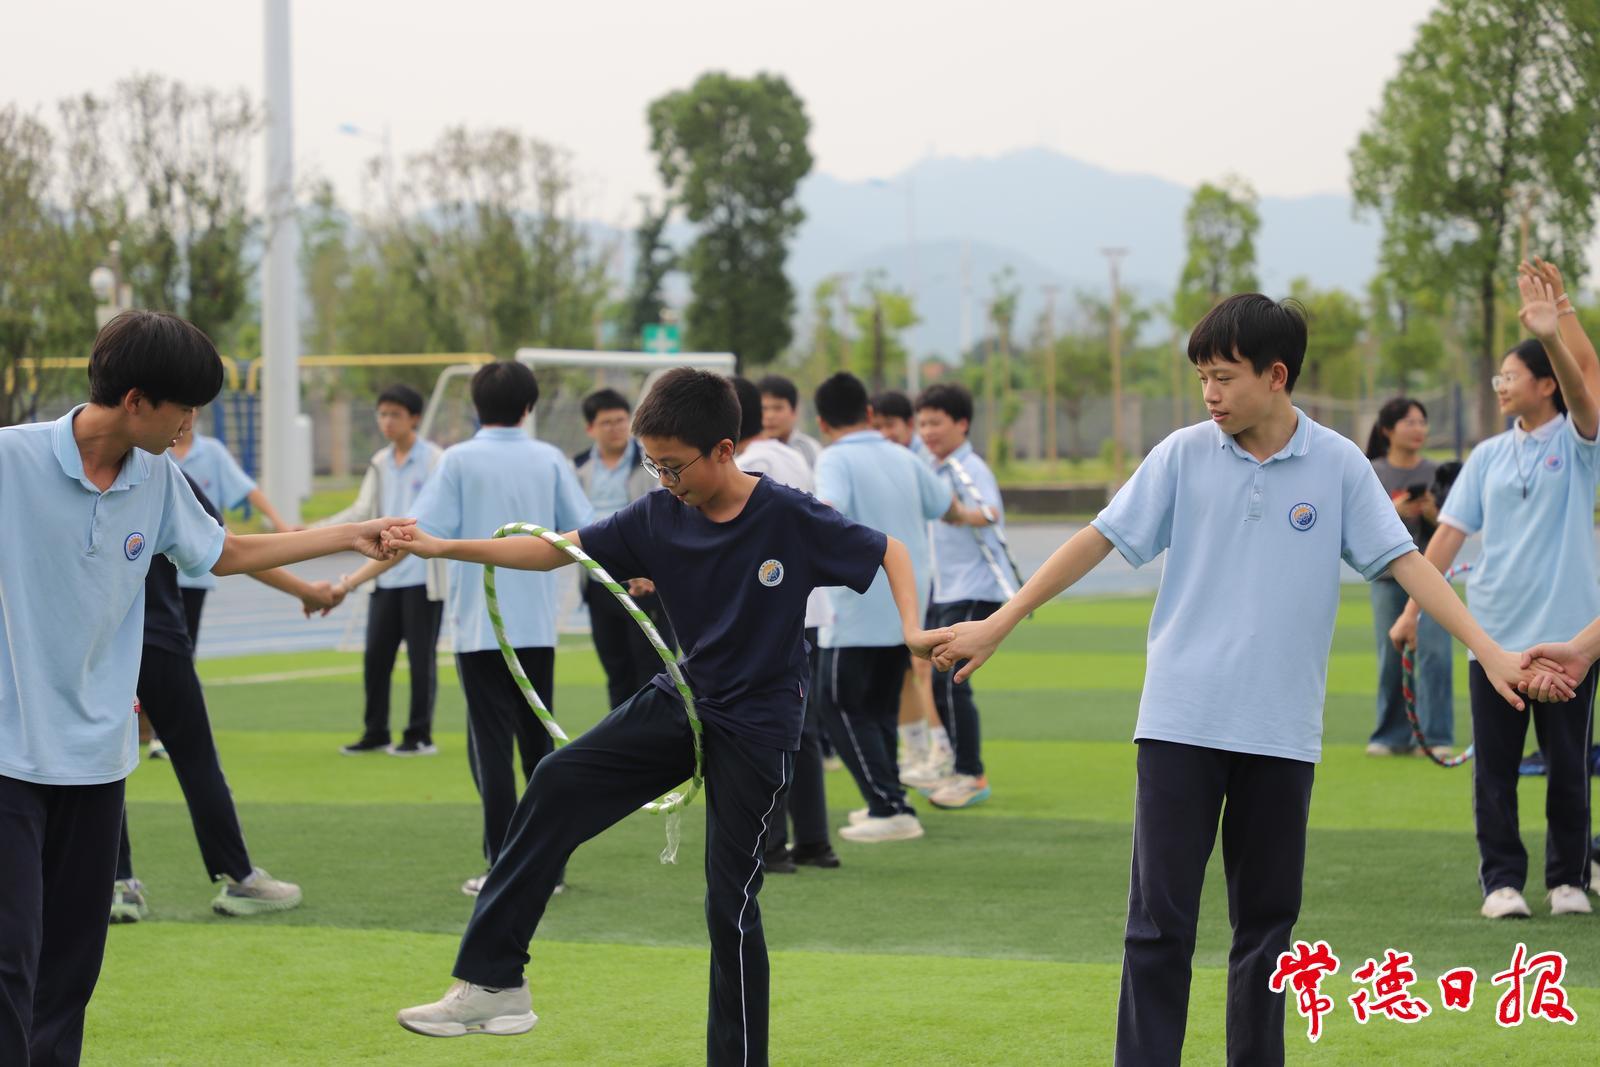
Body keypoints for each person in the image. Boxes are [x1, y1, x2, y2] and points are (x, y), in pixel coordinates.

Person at [930, 294, 1554, 1066]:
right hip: (1179, 722)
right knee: (1158, 927)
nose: (1210, 394)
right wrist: (1001, 619)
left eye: (1224, 377)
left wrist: (1490, 650)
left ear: (1276, 375)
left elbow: (1406, 562)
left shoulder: (1337, 465)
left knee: (1266, 932)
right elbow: (1098, 538)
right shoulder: (1182, 454)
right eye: (1201, 377)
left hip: (1280, 730)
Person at [387, 368, 946, 1065]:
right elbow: (555, 549)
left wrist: (913, 631)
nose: (664, 479)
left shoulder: (787, 515)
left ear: (723, 449)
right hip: (686, 697)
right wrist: (443, 547)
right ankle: (495, 981)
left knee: (728, 905)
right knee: (556, 779)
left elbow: (890, 550)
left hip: (759, 724)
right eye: (653, 464)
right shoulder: (656, 515)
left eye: (674, 465)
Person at [0, 309, 401, 1067]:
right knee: (9, 955)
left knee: (71, 969)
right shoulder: (10, 460)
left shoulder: (157, 479)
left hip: (98, 758)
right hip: (9, 756)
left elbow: (227, 551)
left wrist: (348, 535)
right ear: (135, 401)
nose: (190, 425)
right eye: (184, 408)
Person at [1389, 259, 1600, 920]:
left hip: (1569, 637)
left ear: (1546, 383)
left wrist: (1553, 329)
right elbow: (1447, 538)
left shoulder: (1582, 441)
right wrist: (1413, 609)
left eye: (1512, 375)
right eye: (1498, 377)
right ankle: (1502, 880)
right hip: (1495, 635)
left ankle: (1568, 878)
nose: (1501, 385)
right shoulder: (1485, 456)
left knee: (1569, 766)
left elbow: (1586, 394)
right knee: (1496, 770)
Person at [378, 360, 592, 896]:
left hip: (479, 629)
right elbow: (585, 529)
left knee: (491, 752)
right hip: (536, 627)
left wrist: (354, 572)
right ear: (529, 406)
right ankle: (548, 868)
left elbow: (419, 530)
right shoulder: (549, 458)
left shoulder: (457, 459)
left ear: (475, 406)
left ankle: (503, 864)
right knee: (539, 751)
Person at [112, 472, 340, 922]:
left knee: (101, 763)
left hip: (94, 643)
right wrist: (308, 589)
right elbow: (230, 551)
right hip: (158, 639)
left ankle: (114, 885)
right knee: (195, 758)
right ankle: (239, 876)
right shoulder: (159, 472)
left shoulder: (59, 467)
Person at [811, 372, 985, 843]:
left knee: (838, 706)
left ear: (822, 422)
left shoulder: (834, 458)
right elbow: (946, 506)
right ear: (869, 413)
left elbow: (826, 511)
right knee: (880, 710)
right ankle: (891, 801)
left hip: (855, 609)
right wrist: (978, 516)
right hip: (907, 608)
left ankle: (888, 806)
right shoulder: (904, 456)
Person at [728, 377, 838, 873]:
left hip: (774, 612)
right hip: (807, 607)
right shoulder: (789, 455)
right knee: (802, 729)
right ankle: (813, 841)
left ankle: (771, 845)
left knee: (765, 728)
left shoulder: (753, 463)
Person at [319, 384, 447, 756]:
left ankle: (419, 735)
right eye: (382, 414)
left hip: (422, 578)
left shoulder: (435, 460)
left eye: (395, 414)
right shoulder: (379, 461)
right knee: (376, 657)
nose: (387, 421)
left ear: (414, 418)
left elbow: (432, 515)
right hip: (383, 576)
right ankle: (375, 731)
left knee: (421, 660)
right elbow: (361, 512)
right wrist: (313, 530)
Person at [911, 382, 1008, 809]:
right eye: (923, 423)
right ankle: (958, 768)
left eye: (936, 422)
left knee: (950, 681)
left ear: (962, 424)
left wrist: (960, 514)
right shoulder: (931, 466)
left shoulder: (967, 467)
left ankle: (971, 774)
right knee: (937, 680)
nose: (928, 431)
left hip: (975, 587)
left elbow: (991, 511)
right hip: (946, 587)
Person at [571, 387, 677, 709]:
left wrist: (648, 567)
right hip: (598, 579)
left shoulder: (650, 462)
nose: (616, 428)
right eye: (607, 422)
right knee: (616, 671)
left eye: (620, 420)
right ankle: (621, 735)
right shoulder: (578, 467)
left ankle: (660, 736)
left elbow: (664, 515)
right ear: (590, 428)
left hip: (644, 581)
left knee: (654, 672)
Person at [1362, 397, 1453, 757]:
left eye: (1422, 422)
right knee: (1392, 655)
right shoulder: (1371, 471)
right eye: (1409, 422)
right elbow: (1360, 524)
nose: (1419, 429)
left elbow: (1452, 527)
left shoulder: (1436, 471)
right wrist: (1394, 510)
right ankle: (1391, 735)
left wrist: (1431, 514)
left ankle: (1435, 736)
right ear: (1388, 430)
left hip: (1431, 575)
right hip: (1388, 577)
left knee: (1435, 654)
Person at [872, 389, 954, 778]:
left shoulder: (919, 462)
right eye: (877, 426)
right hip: (902, 576)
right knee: (906, 670)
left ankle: (941, 751)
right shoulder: (891, 459)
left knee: (923, 669)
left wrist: (979, 515)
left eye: (890, 425)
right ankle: (918, 751)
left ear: (907, 425)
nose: (885, 433)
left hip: (927, 577)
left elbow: (948, 509)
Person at [169, 420, 300, 643]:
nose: (186, 420)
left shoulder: (212, 453)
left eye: (190, 409)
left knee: (183, 646)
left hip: (195, 570)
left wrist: (281, 526)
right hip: (154, 572)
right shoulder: (153, 455)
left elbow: (248, 490)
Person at [757, 374, 823, 467]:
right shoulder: (745, 450)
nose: (770, 416)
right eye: (764, 408)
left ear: (794, 411)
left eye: (778, 408)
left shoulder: (810, 450)